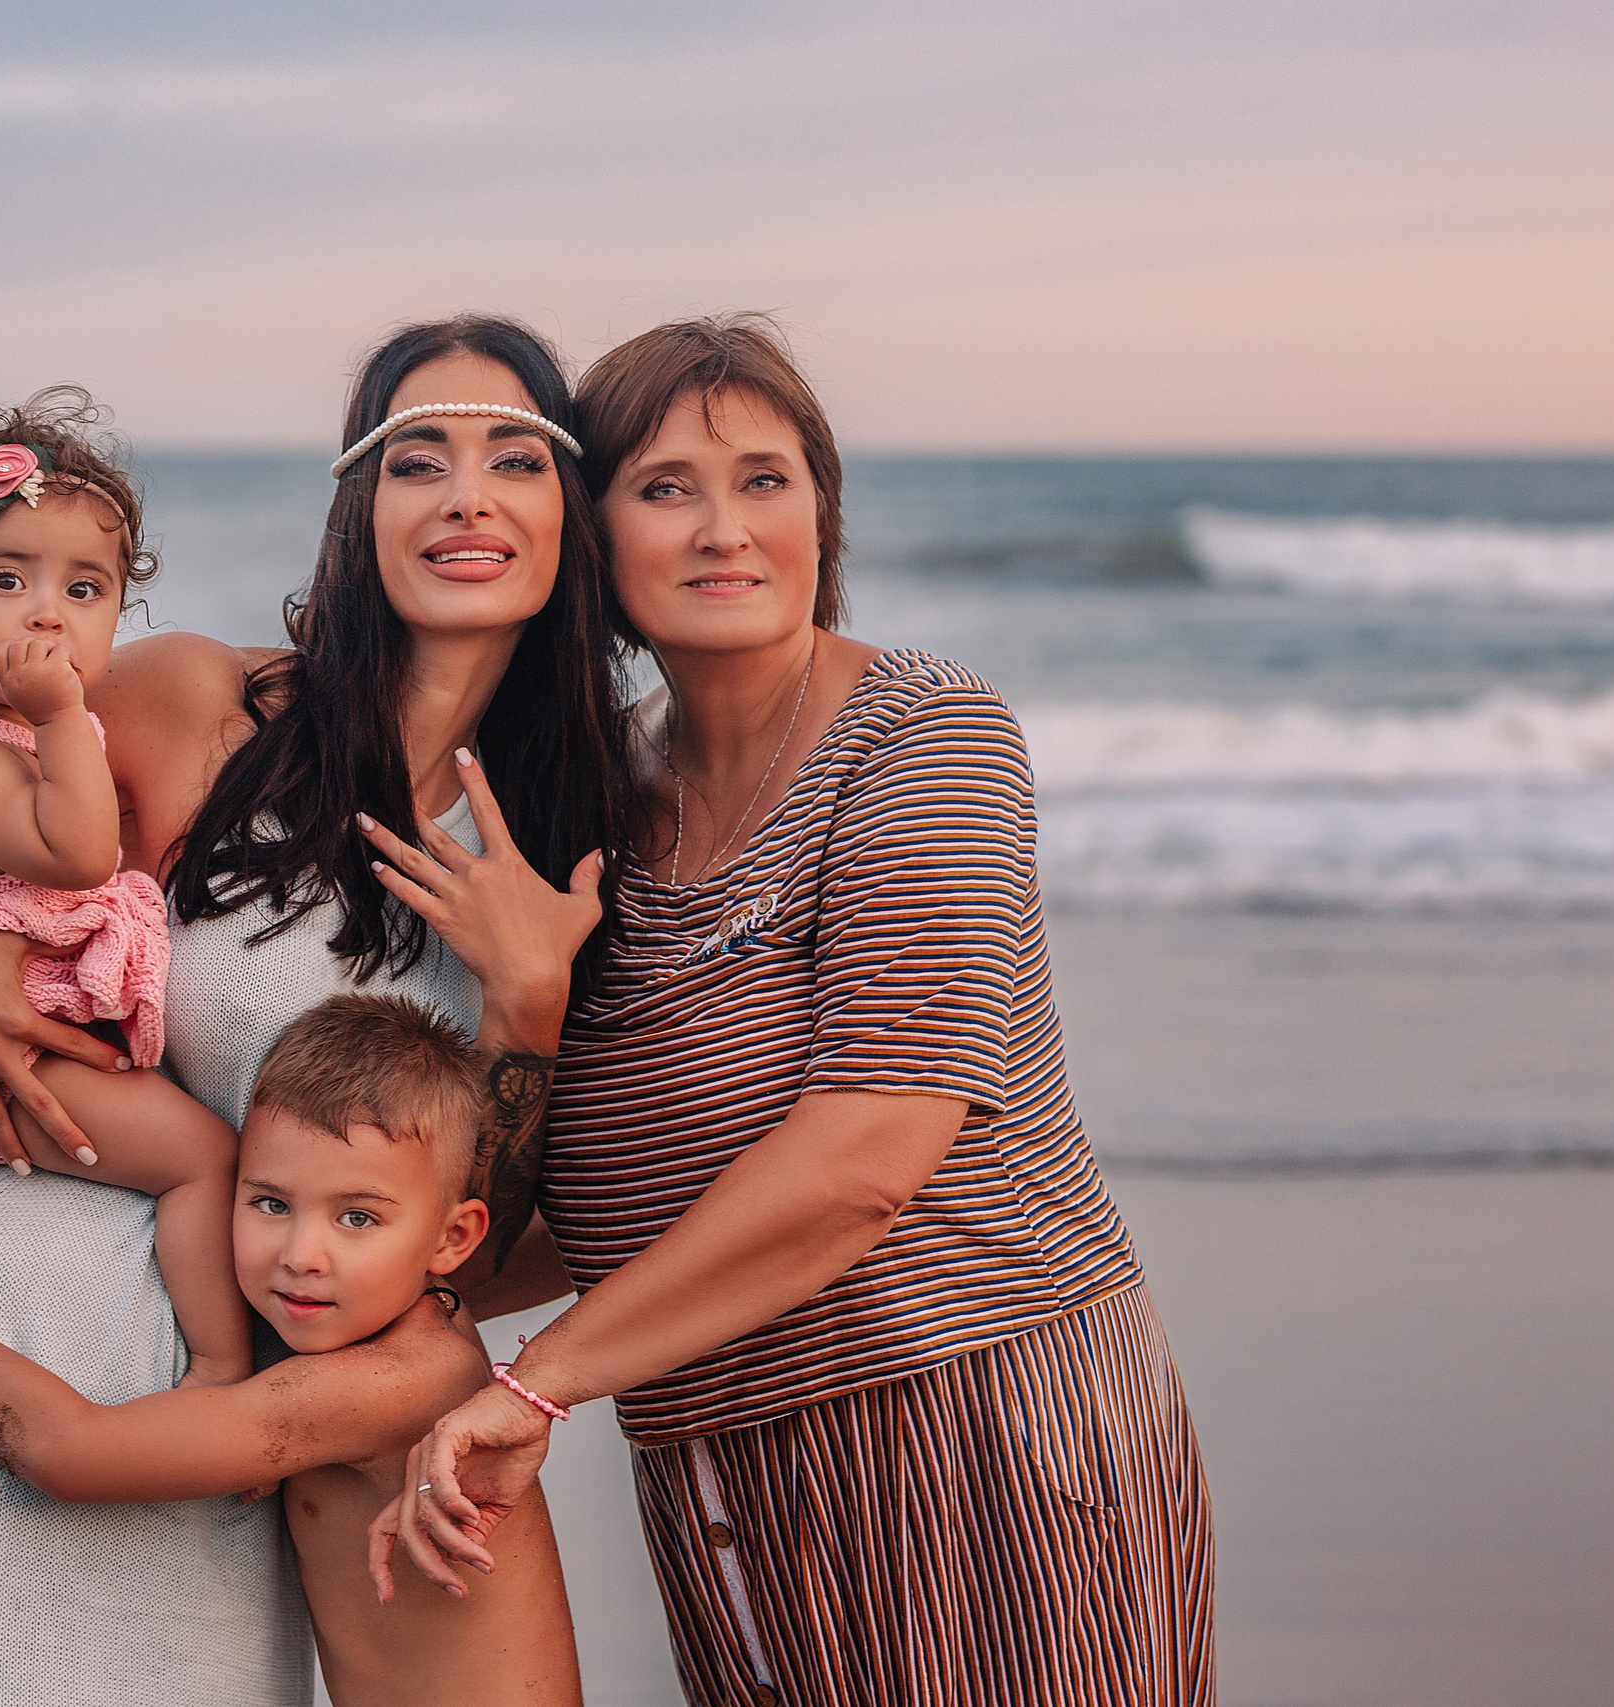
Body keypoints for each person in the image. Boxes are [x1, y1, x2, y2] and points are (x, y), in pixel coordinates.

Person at [0, 317, 630, 1706]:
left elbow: (462, 1248)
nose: (467, 493)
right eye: (419, 458)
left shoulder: (583, 841)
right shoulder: (208, 709)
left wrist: (531, 1006)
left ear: (567, 515)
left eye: (514, 457)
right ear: (360, 507)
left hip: (215, 1441)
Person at [373, 316, 1217, 1706]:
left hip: (978, 1422)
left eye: (766, 480)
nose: (724, 530)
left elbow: (862, 1160)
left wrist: (538, 1382)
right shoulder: (593, 807)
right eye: (665, 488)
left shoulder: (925, 734)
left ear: (823, 511)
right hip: (715, 1457)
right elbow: (579, 1205)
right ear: (594, 539)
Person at [0, 994, 583, 1707]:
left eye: (357, 1218)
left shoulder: (404, 1379)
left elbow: (67, 1454)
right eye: (271, 1203)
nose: (302, 1255)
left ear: (454, 1237)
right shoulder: (396, 1323)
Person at [0, 395, 249, 1387]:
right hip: (1, 1067)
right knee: (205, 1158)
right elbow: (75, 853)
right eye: (6, 578)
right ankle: (222, 1369)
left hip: (20, 1043)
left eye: (85, 589)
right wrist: (67, 714)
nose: (45, 612)